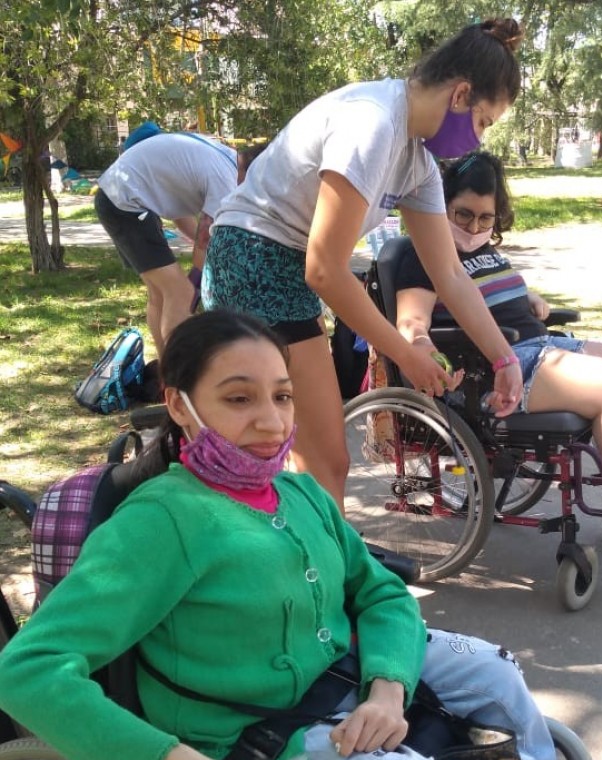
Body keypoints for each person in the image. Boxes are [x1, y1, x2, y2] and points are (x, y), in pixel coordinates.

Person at [0, 310, 592, 760]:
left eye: (282, 395)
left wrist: (388, 686)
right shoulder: (161, 524)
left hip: (338, 671)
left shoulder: (301, 493)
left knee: (497, 671)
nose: (271, 420)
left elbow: (380, 591)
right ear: (180, 406)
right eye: (238, 398)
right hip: (246, 737)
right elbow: (26, 669)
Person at [203, 18, 527, 509]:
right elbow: (326, 268)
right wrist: (403, 351)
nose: (478, 140)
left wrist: (504, 359)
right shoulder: (374, 122)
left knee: (304, 457)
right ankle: (309, 575)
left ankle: (299, 567)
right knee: (317, 460)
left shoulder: (416, 163)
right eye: (484, 121)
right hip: (252, 256)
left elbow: (452, 277)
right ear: (461, 95)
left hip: (285, 266)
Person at [393, 152, 602, 533]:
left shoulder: (482, 249)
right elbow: (413, 321)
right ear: (442, 205)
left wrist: (527, 299)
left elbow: (488, 294)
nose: (474, 226)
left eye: (485, 218)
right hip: (491, 367)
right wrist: (419, 345)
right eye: (463, 215)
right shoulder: (425, 255)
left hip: (540, 345)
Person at [95, 132, 263, 358]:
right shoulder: (226, 177)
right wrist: (195, 280)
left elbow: (182, 215)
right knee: (181, 293)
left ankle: (167, 373)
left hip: (118, 195)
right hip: (125, 202)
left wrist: (200, 261)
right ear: (253, 172)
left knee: (161, 294)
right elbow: (206, 239)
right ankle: (180, 372)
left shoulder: (224, 155)